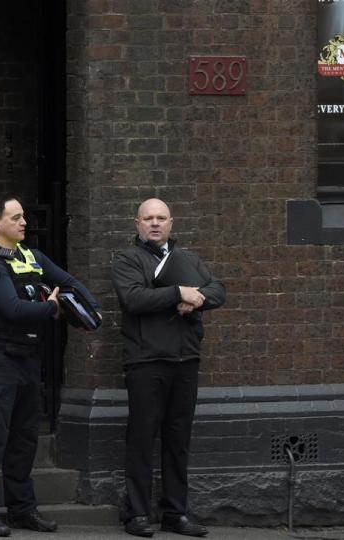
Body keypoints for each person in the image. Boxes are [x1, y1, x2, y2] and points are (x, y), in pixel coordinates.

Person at [0, 193, 101, 537]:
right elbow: (12, 309)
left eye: (23, 216)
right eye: (15, 217)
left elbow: (69, 282)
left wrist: (89, 309)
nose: (24, 222)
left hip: (27, 361)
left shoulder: (33, 256)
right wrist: (51, 308)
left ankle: (22, 510)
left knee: (25, 441)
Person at [109, 199, 225, 538]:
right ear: (137, 224)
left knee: (178, 440)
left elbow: (218, 291)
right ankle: (138, 514)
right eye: (148, 219)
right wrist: (179, 292)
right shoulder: (127, 260)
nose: (155, 224)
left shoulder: (187, 259)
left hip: (185, 359)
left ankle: (176, 513)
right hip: (146, 361)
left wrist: (197, 297)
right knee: (142, 438)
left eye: (161, 218)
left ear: (171, 223)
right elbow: (133, 299)